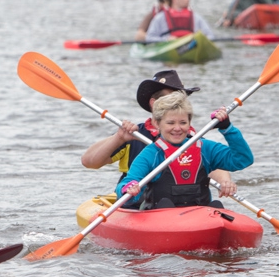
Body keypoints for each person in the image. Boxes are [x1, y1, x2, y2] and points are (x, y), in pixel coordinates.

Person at [81, 70, 237, 198]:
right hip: (139, 205)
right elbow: (89, 162)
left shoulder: (189, 137)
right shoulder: (133, 135)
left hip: (184, 203)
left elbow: (210, 162)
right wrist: (118, 138)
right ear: (154, 103)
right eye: (172, 99)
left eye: (180, 99)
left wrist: (225, 181)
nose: (178, 104)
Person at [117, 91, 253, 210]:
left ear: (189, 123)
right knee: (165, 204)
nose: (177, 128)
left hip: (200, 215)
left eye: (183, 122)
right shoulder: (151, 154)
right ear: (158, 124)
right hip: (161, 216)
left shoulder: (204, 148)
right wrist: (130, 188)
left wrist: (227, 128)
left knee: (217, 205)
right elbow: (126, 185)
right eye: (171, 123)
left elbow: (242, 160)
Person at [145, 0, 215, 41]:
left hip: (192, 43)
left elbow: (210, 36)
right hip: (169, 46)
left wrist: (198, 39)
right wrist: (166, 39)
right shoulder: (160, 18)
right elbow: (149, 38)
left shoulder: (195, 17)